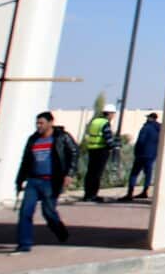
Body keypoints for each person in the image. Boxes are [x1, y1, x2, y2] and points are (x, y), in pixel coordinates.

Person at [13, 111, 77, 254]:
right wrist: (19, 180)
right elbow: (25, 161)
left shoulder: (61, 137)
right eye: (37, 123)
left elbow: (74, 152)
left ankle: (60, 231)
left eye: (41, 123)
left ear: (50, 123)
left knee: (48, 212)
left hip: (51, 181)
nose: (39, 126)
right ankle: (24, 244)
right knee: (25, 212)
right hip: (33, 181)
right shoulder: (33, 139)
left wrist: (69, 174)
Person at [119, 113, 161, 202]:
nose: (146, 119)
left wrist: (137, 151)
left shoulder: (146, 128)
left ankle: (130, 193)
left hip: (142, 154)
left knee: (134, 173)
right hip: (152, 154)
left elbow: (141, 141)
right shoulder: (159, 129)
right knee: (148, 174)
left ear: (151, 118)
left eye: (148, 117)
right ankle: (145, 191)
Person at [82, 103, 119, 202]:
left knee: (90, 173)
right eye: (113, 114)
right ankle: (93, 195)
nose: (113, 116)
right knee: (97, 174)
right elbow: (108, 138)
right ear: (110, 114)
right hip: (101, 150)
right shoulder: (105, 123)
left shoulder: (95, 121)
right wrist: (114, 145)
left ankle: (87, 194)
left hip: (92, 149)